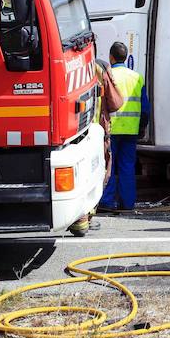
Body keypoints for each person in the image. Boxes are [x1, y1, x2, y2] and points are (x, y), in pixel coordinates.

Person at [68, 57, 125, 235]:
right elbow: (116, 102)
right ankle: (86, 217)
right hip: (96, 130)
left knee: (78, 172)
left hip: (73, 130)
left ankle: (77, 217)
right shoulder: (100, 67)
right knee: (98, 172)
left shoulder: (70, 65)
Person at [98, 42, 149, 212]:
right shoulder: (137, 77)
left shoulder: (107, 75)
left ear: (111, 57)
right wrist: (142, 127)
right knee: (127, 167)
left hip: (111, 130)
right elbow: (145, 108)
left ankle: (107, 202)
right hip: (131, 130)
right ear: (125, 57)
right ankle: (127, 204)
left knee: (109, 165)